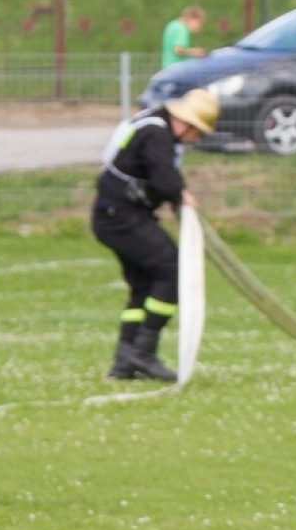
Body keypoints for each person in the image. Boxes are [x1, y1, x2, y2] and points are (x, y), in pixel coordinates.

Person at [92, 88, 218, 381]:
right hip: (121, 217)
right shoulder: (157, 134)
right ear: (186, 123)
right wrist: (180, 195)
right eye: (198, 133)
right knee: (171, 269)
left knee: (143, 284)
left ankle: (125, 359)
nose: (196, 139)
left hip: (113, 214)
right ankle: (143, 352)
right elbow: (163, 175)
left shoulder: (151, 123)